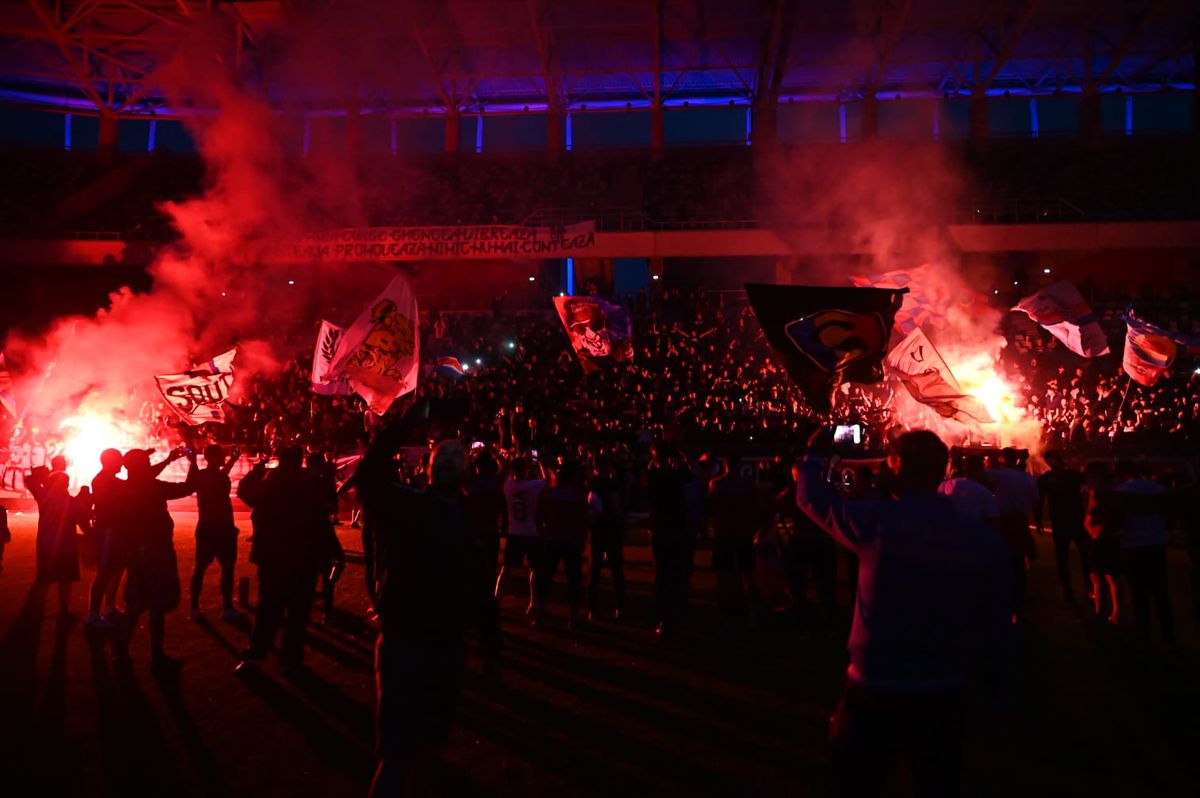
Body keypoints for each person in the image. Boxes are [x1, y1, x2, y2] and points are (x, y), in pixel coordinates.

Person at [796, 429, 1013, 797]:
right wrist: (998, 692)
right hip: (944, 690)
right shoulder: (982, 540)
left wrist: (813, 455)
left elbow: (811, 498)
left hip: (873, 692)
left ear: (896, 467)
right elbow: (998, 626)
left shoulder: (876, 523)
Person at [356, 416, 489, 798]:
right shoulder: (406, 506)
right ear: (427, 468)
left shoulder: (468, 518)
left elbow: (478, 586)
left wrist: (489, 641)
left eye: (454, 456)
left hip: (444, 645)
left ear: (464, 470)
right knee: (396, 754)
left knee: (427, 750)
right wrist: (401, 427)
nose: (447, 461)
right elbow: (369, 477)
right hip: (405, 641)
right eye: (441, 456)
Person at [236, 447, 344, 674]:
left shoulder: (270, 486)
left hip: (273, 557)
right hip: (303, 557)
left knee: (268, 610)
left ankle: (256, 655)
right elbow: (322, 519)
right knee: (298, 613)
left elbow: (244, 491)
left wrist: (258, 470)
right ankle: (289, 660)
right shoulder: (308, 486)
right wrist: (335, 549)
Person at [115, 448, 194, 669]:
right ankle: (157, 655)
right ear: (142, 466)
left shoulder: (127, 486)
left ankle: (121, 651)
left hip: (136, 552)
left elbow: (144, 475)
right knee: (156, 604)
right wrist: (193, 463)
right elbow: (188, 487)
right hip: (156, 551)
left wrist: (168, 460)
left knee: (135, 604)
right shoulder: (151, 486)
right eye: (146, 462)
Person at [1113, 460, 1175, 647]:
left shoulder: (1121, 491)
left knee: (1139, 593)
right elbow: (1169, 516)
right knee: (1161, 592)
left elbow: (1118, 519)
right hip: (1156, 544)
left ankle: (1143, 633)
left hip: (1133, 545)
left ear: (1122, 473)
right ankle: (1168, 635)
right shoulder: (1157, 489)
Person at [535, 459, 595, 628]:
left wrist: (543, 533)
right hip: (571, 541)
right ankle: (573, 617)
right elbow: (584, 518)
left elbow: (538, 516)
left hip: (552, 539)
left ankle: (538, 615)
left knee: (545, 578)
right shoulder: (579, 494)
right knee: (574, 580)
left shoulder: (548, 492)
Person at [645, 441, 694, 638]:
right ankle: (677, 617)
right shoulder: (677, 475)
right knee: (676, 574)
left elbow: (648, 475)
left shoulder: (652, 475)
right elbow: (690, 471)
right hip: (676, 528)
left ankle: (663, 618)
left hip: (659, 528)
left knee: (661, 574)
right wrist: (679, 455)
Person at [188, 444, 241, 622]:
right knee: (224, 568)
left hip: (209, 527)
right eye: (221, 455)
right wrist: (193, 462)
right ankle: (226, 607)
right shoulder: (213, 476)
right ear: (214, 457)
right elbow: (218, 477)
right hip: (219, 527)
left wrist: (233, 459)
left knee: (204, 568)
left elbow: (216, 475)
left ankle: (195, 607)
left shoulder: (205, 475)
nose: (224, 458)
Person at [25, 464, 86, 617]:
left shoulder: (44, 497)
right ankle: (63, 610)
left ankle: (38, 610)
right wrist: (91, 536)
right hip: (67, 546)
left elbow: (29, 480)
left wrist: (40, 476)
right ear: (67, 484)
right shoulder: (72, 502)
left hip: (46, 544)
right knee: (65, 580)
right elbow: (83, 523)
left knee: (44, 579)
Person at [708, 452, 762, 619]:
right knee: (748, 573)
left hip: (724, 534)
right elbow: (755, 508)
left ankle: (727, 611)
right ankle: (750, 610)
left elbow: (711, 507)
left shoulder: (717, 484)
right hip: (743, 533)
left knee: (725, 575)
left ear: (725, 465)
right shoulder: (747, 485)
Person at [987, 447, 1039, 619]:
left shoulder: (998, 475)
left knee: (1003, 559)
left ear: (1002, 459)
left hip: (1004, 520)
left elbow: (980, 475)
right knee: (1018, 562)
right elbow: (1035, 500)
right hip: (1021, 520)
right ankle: (1019, 600)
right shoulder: (1027, 477)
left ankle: (1005, 599)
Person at [497, 455, 546, 620]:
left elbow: (502, 470)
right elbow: (549, 479)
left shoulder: (508, 485)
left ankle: (496, 601)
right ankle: (534, 605)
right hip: (532, 534)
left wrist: (498, 455)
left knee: (506, 570)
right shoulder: (534, 486)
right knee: (536, 570)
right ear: (526, 470)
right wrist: (541, 463)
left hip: (515, 534)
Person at [1037, 450, 1091, 600]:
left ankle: (1083, 585)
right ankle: (1074, 586)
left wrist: (1038, 519)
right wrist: (1038, 518)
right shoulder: (1065, 476)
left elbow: (1087, 492)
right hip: (1069, 519)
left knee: (1074, 555)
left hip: (1070, 519)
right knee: (1072, 555)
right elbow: (1040, 499)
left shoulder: (1058, 477)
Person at [86, 448, 128, 628]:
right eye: (119, 460)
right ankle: (93, 615)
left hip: (115, 531)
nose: (122, 464)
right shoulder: (103, 480)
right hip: (107, 532)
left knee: (117, 570)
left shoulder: (108, 479)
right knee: (104, 573)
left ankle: (109, 606)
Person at [588, 455, 627, 620]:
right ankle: (620, 607)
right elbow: (615, 503)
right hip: (611, 528)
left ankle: (592, 609)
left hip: (597, 528)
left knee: (594, 570)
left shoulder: (590, 483)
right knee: (616, 570)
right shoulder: (611, 483)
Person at [1083, 461, 1120, 624]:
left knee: (1097, 575)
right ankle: (1115, 612)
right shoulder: (1115, 489)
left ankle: (1100, 610)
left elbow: (1093, 513)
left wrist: (1091, 528)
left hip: (1099, 536)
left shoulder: (1098, 491)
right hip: (1110, 536)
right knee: (1111, 576)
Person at [938, 454, 998, 525]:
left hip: (950, 527)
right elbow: (992, 518)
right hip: (974, 529)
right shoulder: (984, 492)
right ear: (981, 468)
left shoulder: (947, 485)